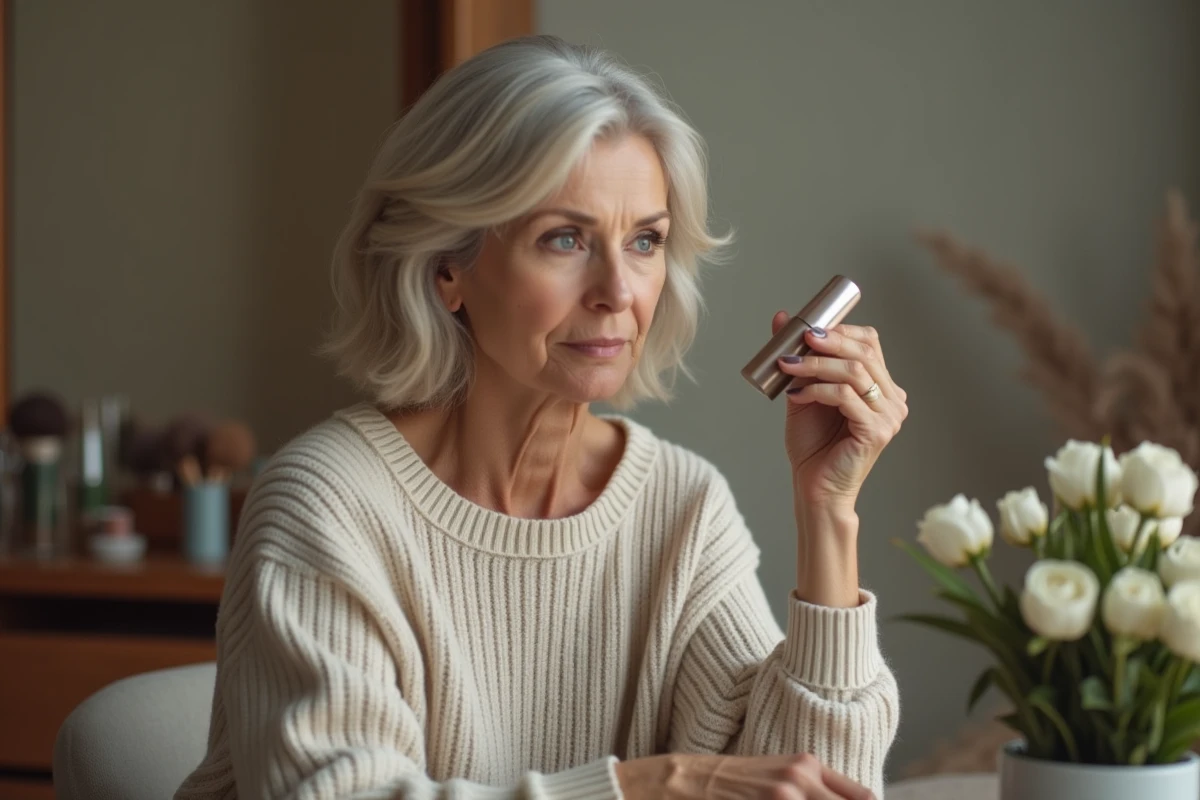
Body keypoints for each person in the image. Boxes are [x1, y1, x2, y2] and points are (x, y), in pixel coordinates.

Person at [175, 34, 905, 800]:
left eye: (646, 240)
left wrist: (828, 514)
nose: (619, 290)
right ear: (445, 268)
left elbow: (812, 787)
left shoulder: (682, 508)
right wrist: (648, 787)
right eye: (565, 239)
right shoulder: (326, 506)